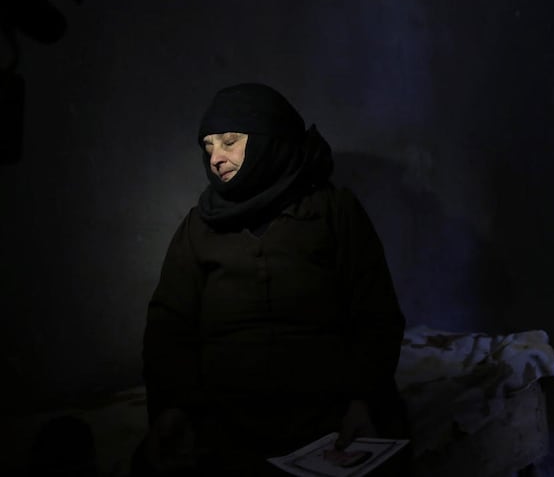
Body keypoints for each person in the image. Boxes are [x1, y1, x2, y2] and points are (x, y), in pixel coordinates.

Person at [134, 84, 408, 476]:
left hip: (327, 411)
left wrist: (362, 400)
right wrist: (173, 407)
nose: (216, 158)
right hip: (225, 417)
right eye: (208, 147)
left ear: (269, 140)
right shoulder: (199, 227)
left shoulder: (332, 211)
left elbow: (375, 313)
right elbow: (169, 326)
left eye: (230, 142)